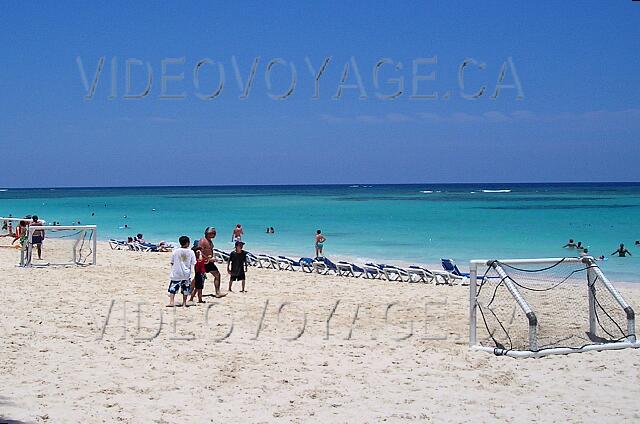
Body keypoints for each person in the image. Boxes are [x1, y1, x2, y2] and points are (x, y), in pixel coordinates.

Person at [167, 236, 196, 307]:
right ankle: (184, 303)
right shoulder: (191, 252)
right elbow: (193, 262)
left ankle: (171, 302)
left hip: (176, 273)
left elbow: (172, 262)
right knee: (185, 289)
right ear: (188, 243)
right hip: (186, 274)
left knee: (173, 288)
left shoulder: (175, 251)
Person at [198, 227, 226, 297]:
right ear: (208, 233)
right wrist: (208, 258)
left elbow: (209, 251)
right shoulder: (203, 241)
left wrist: (213, 258)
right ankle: (191, 291)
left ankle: (217, 292)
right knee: (199, 278)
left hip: (209, 262)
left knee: (217, 275)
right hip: (203, 262)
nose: (215, 234)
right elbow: (199, 251)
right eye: (213, 233)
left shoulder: (210, 241)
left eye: (215, 233)